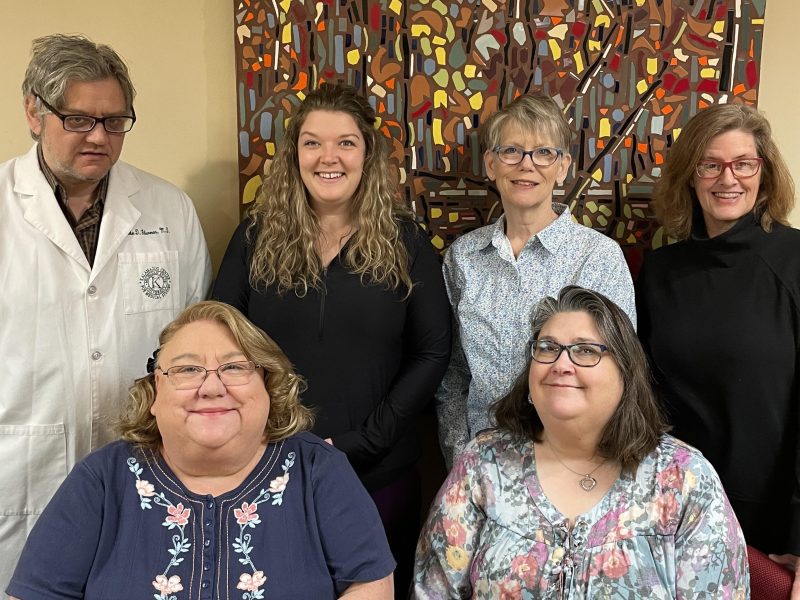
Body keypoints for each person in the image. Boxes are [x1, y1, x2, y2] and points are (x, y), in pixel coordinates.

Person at [212, 83, 451, 596]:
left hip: (379, 472)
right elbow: (221, 341)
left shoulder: (406, 240)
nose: (329, 157)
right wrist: (263, 437)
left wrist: (366, 441)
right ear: (295, 153)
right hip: (266, 468)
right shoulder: (254, 237)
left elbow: (432, 352)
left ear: (367, 153)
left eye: (345, 143)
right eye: (313, 142)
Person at [0, 34, 212, 586]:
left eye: (115, 121)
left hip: (143, 472)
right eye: (78, 119)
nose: (98, 136)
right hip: (19, 474)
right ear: (33, 111)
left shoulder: (169, 209)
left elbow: (193, 350)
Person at [6, 301, 395, 599]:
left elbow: (371, 585)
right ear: (154, 393)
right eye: (187, 370)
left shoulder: (318, 469)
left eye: (235, 367)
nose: (211, 388)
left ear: (269, 388)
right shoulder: (102, 479)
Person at [414, 286, 749, 598]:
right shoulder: (483, 463)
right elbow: (433, 592)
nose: (561, 364)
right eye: (547, 348)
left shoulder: (684, 478)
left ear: (625, 376)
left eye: (586, 351)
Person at [636, 103, 800, 585]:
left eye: (743, 163)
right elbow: (643, 393)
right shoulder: (662, 270)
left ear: (763, 172)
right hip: (674, 507)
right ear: (691, 174)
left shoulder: (795, 262)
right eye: (711, 164)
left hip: (771, 520)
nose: (728, 178)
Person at [436, 94, 636, 468]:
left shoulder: (598, 258)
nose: (526, 165)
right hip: (483, 467)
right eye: (511, 150)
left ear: (562, 167)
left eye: (543, 152)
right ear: (491, 164)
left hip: (573, 466)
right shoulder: (463, 258)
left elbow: (618, 377)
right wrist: (460, 457)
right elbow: (453, 376)